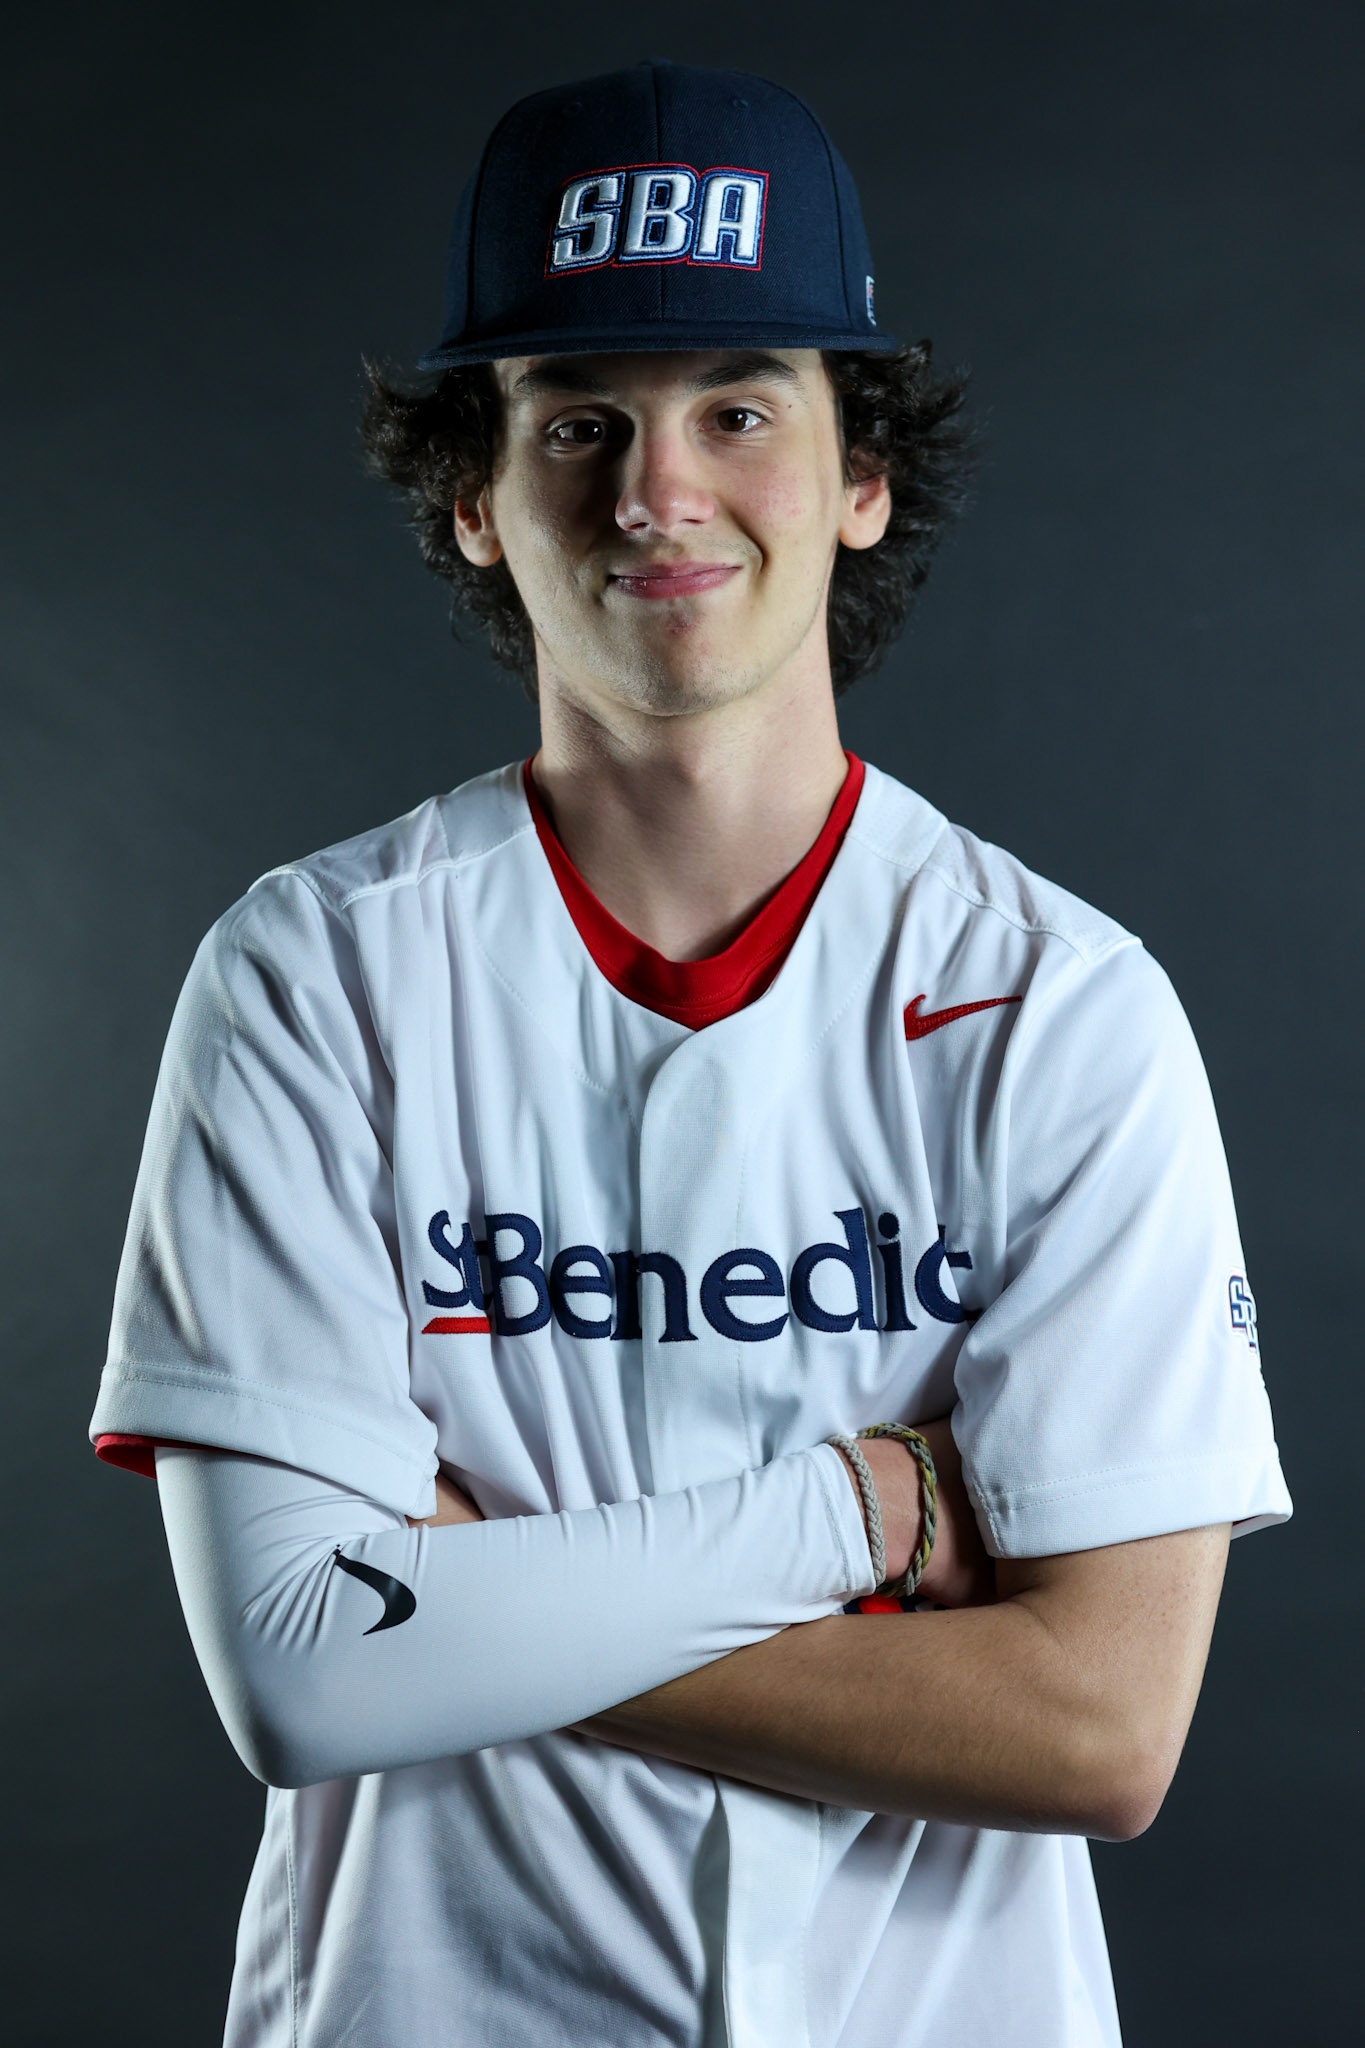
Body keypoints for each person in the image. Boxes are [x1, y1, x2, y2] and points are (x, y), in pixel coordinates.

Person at [89, 59, 1291, 2048]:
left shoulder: (1061, 1004)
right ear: (473, 497)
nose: (658, 487)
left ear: (857, 475)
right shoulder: (307, 978)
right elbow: (300, 1676)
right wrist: (867, 1520)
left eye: (737, 407)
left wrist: (467, 1612)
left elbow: (1096, 1728)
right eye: (579, 419)